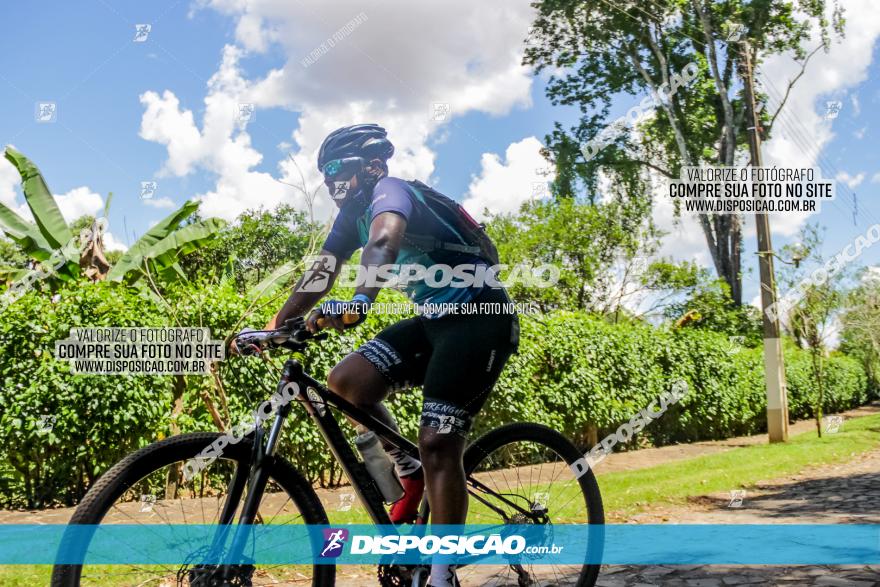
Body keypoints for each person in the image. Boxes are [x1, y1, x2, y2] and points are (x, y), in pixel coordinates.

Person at [247, 124, 519, 587]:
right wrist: (274, 328)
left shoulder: (392, 190)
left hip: (480, 317)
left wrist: (361, 299)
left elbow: (383, 242)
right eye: (324, 172)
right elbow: (322, 270)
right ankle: (408, 471)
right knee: (348, 382)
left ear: (371, 166)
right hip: (436, 321)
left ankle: (440, 572)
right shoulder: (349, 215)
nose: (332, 180)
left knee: (438, 442)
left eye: (338, 169)